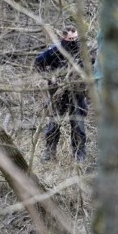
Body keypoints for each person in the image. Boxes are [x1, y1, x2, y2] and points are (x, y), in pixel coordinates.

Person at [35, 25, 89, 162]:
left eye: (75, 38)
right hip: (58, 93)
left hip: (77, 92)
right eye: (70, 39)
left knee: (78, 124)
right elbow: (38, 62)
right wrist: (49, 77)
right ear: (64, 38)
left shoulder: (82, 51)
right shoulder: (55, 50)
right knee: (54, 124)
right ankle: (49, 152)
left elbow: (91, 67)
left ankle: (79, 154)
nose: (73, 41)